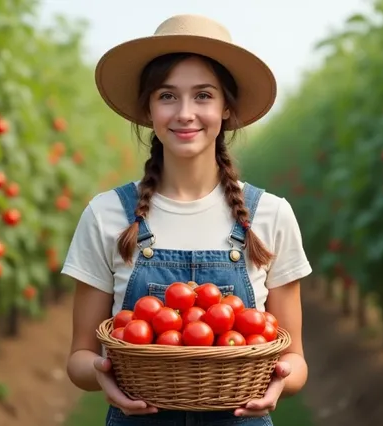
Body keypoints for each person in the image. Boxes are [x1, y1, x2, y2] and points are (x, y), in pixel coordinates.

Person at [62, 14, 311, 426]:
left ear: (225, 107)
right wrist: (102, 374)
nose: (185, 113)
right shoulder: (106, 214)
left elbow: (295, 360)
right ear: (149, 107)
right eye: (167, 96)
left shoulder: (270, 214)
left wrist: (281, 381)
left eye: (203, 96)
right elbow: (79, 358)